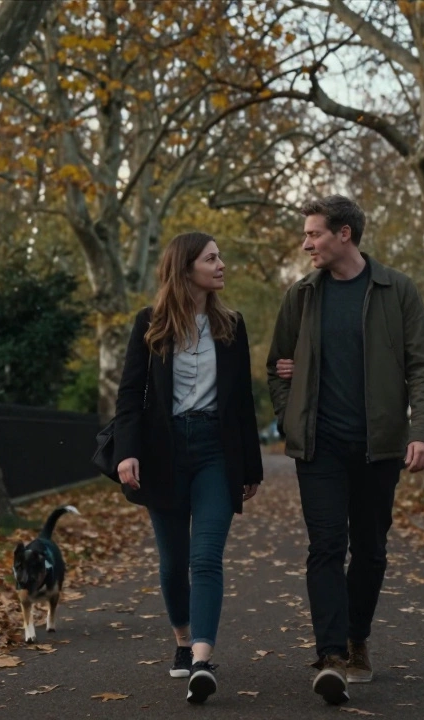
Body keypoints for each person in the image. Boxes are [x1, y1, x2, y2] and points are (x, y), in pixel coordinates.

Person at [266, 195, 424, 705]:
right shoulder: (301, 295)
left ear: (344, 234)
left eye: (314, 234)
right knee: (324, 547)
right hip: (318, 448)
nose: (306, 244)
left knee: (369, 549)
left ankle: (356, 636)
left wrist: (422, 432)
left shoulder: (396, 290)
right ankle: (330, 656)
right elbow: (277, 363)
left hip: (378, 448)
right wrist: (288, 413)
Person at [113, 231, 265, 704]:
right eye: (212, 258)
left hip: (216, 453)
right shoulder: (150, 323)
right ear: (186, 268)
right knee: (174, 562)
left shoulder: (232, 326)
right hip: (164, 453)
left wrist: (251, 466)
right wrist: (127, 451)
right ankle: (182, 641)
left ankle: (202, 659)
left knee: (205, 558)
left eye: (220, 257)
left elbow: (242, 402)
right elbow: (130, 396)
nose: (222, 265)